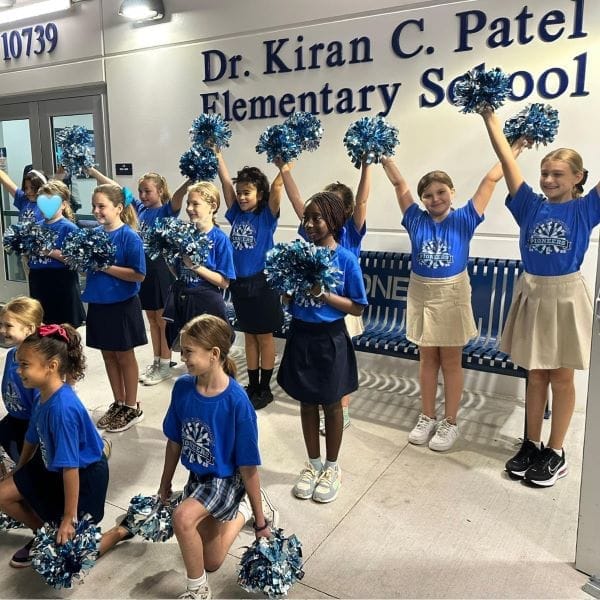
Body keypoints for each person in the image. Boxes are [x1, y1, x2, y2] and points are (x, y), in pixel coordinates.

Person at [481, 108, 600, 486]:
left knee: (561, 377)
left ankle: (556, 450)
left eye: (557, 174)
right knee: (534, 375)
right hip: (532, 291)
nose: (548, 179)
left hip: (565, 296)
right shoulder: (530, 205)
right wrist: (489, 117)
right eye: (544, 174)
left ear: (578, 178)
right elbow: (504, 158)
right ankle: (531, 442)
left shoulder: (585, 208)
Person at [381, 139, 524, 452]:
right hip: (422, 295)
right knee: (427, 358)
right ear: (422, 199)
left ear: (452, 192)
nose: (435, 199)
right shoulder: (415, 218)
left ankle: (450, 421)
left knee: (451, 361)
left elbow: (491, 179)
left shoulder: (465, 218)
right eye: (428, 195)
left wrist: (512, 150)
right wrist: (382, 155)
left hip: (453, 294)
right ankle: (427, 415)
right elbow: (399, 182)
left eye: (441, 192)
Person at [158, 314, 278, 600]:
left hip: (224, 479)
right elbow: (174, 442)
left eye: (188, 351)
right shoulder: (183, 388)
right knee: (211, 561)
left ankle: (197, 590)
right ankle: (243, 511)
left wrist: (262, 525)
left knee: (183, 517)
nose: (182, 357)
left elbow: (248, 466)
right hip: (197, 477)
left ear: (214, 354)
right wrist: (164, 484)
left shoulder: (237, 402)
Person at [277, 192, 368, 503]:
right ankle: (313, 464)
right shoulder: (298, 255)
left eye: (317, 218)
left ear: (334, 220)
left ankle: (332, 467)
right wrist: (286, 295)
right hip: (301, 335)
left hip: (330, 338)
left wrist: (324, 294)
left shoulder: (346, 259)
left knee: (331, 403)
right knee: (306, 402)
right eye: (307, 218)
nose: (311, 224)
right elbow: (289, 299)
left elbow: (356, 307)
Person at [276, 158, 373, 433]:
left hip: (340, 309)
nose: (312, 221)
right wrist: (284, 170)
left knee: (337, 371)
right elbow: (298, 203)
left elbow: (363, 201)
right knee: (318, 373)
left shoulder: (350, 235)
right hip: (309, 317)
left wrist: (367, 164)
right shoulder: (310, 240)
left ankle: (339, 409)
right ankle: (325, 409)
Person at [0, 323, 109, 568]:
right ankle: (44, 534)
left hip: (82, 475)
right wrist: (20, 469)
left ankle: (121, 531)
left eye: (24, 364)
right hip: (51, 464)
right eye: (18, 363)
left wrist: (69, 518)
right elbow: (31, 436)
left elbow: (71, 467)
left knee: (75, 554)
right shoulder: (42, 392)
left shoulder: (63, 409)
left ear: (52, 367)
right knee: (3, 495)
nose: (18, 370)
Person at [87, 167, 187, 386]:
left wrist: (190, 179)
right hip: (143, 269)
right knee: (151, 319)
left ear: (160, 191)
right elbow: (116, 187)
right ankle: (157, 360)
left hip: (160, 269)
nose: (142, 195)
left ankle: (166, 362)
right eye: (140, 191)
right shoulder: (139, 208)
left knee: (162, 320)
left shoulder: (166, 211)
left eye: (147, 191)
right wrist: (94, 173)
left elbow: (179, 196)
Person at [216, 151, 284, 410]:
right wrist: (219, 154)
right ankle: (253, 384)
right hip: (240, 285)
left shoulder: (266, 217)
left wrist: (285, 164)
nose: (242, 197)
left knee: (264, 337)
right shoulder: (236, 214)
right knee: (250, 337)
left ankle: (265, 387)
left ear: (260, 195)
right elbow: (225, 183)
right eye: (240, 192)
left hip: (262, 284)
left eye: (248, 193)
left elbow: (278, 186)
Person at [83, 184, 147, 433]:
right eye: (94, 206)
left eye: (102, 206)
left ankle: (132, 406)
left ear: (119, 208)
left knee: (124, 355)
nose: (97, 211)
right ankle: (118, 402)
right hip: (98, 304)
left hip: (122, 305)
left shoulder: (129, 236)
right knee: (108, 355)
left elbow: (139, 275)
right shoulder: (93, 235)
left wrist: (105, 266)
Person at [163, 182, 236, 350]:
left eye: (195, 204)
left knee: (209, 352)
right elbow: (179, 272)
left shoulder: (219, 239)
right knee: (189, 352)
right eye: (188, 203)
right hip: (184, 299)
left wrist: (196, 266)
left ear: (212, 206)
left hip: (208, 302)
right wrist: (168, 258)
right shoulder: (183, 235)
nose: (189, 208)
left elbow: (224, 282)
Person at [27, 180, 86, 327]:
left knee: (63, 327)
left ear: (64, 204)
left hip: (61, 280)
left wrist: (50, 252)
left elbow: (76, 259)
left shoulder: (69, 228)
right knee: (42, 324)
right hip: (38, 279)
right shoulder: (35, 227)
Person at [0, 297, 44, 463]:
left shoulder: (37, 362)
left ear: (30, 329)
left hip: (32, 422)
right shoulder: (12, 354)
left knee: (28, 463)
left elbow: (40, 403)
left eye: (9, 325)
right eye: (1, 325)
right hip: (16, 416)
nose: (3, 330)